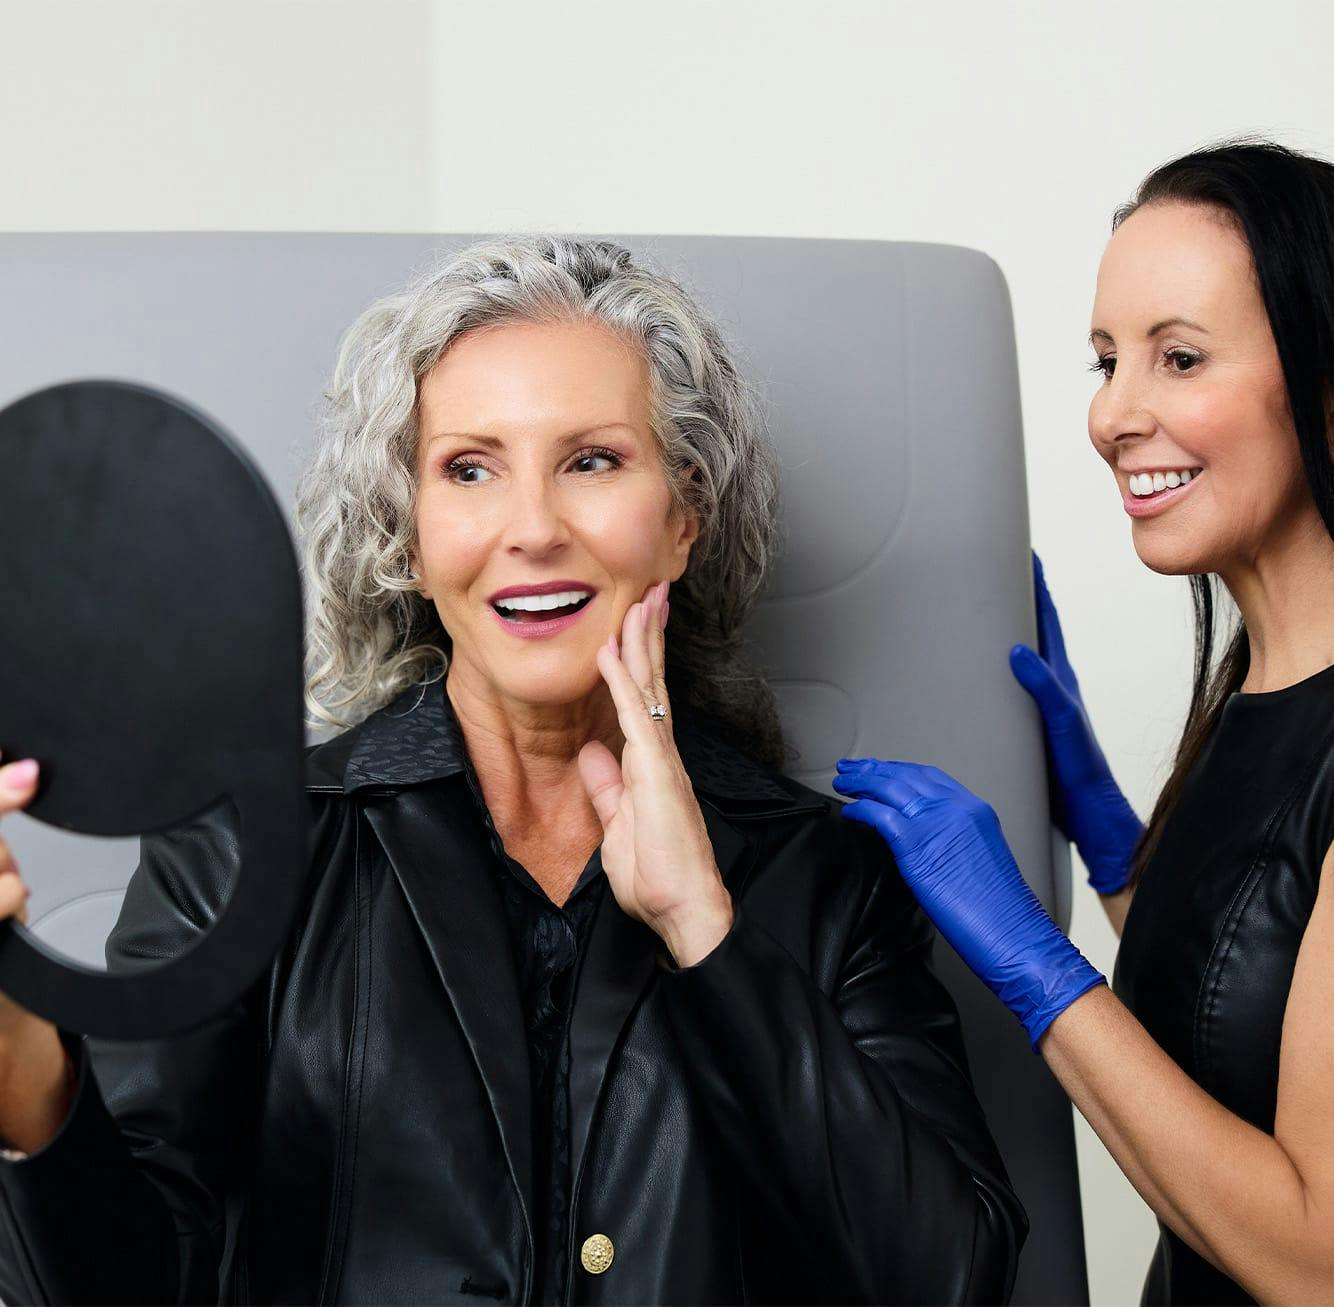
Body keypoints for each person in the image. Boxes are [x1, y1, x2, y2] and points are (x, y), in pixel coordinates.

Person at [0, 236, 1023, 1305]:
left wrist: (704, 932)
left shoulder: (825, 878)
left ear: (682, 520)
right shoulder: (241, 848)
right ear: (410, 529)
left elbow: (950, 1278)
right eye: (469, 468)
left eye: (590, 460)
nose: (531, 528)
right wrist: (20, 1053)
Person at [835, 140, 1334, 1305]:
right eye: (1107, 359)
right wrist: (1120, 850)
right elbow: (1247, 1005)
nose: (1114, 413)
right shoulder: (1258, 699)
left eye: (1178, 356)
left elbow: (1313, 1258)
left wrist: (1034, 963)